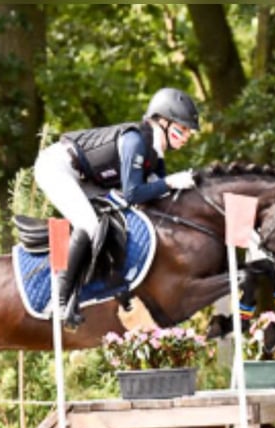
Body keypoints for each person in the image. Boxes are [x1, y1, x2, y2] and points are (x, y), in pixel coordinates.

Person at [34, 87, 200, 329]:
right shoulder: (135, 141)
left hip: (88, 179)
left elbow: (159, 196)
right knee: (89, 225)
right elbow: (134, 194)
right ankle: (58, 300)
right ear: (162, 121)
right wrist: (171, 181)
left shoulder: (155, 153)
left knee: (115, 223)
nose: (186, 136)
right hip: (58, 167)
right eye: (182, 129)